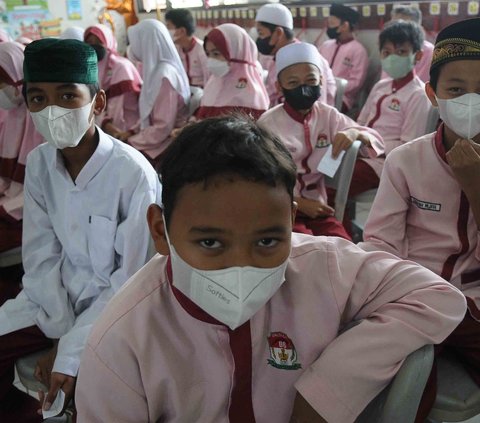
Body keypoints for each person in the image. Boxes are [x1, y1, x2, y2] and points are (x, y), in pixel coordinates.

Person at [75, 114, 466, 423]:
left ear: (290, 221)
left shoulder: (322, 267)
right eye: (210, 243)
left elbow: (438, 296)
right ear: (161, 231)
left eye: (267, 241)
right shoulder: (124, 339)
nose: (241, 267)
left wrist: (329, 388)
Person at [0, 38, 160, 422]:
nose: (51, 110)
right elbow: (40, 256)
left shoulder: (133, 174)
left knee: (80, 396)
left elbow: (130, 283)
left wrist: (71, 349)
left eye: (68, 96)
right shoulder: (40, 164)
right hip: (49, 303)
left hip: (115, 316)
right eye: (38, 98)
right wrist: (58, 332)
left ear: (97, 103)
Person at [358, 18, 480, 421]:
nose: (470, 102)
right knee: (394, 380)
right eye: (457, 90)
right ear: (433, 94)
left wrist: (473, 183)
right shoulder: (406, 161)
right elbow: (379, 243)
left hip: (475, 303)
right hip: (415, 295)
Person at [258, 42, 383, 239]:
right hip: (281, 209)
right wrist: (299, 203)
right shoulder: (268, 124)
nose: (303, 89)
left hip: (319, 208)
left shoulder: (328, 115)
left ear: (321, 81)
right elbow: (260, 182)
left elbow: (374, 138)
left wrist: (353, 133)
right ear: (279, 87)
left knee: (341, 245)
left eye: (310, 80)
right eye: (293, 83)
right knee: (304, 251)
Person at [351, 20, 433, 197]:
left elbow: (408, 146)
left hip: (384, 164)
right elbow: (361, 121)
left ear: (417, 56)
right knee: (318, 172)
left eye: (401, 52)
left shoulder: (417, 95)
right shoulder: (381, 86)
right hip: (359, 153)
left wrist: (368, 145)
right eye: (386, 53)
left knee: (336, 183)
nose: (392, 58)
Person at [0, 42, 43, 302]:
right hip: (14, 202)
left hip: (28, 211)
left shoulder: (39, 117)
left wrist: (6, 207)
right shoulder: (14, 114)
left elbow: (39, 189)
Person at [124, 19, 190, 168]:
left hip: (169, 141)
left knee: (122, 160)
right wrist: (131, 131)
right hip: (157, 137)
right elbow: (149, 112)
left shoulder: (165, 76)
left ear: (145, 43)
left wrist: (131, 142)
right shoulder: (155, 71)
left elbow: (163, 127)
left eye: (135, 42)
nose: (132, 47)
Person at [255, 3, 336, 107]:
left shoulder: (307, 61)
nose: (258, 39)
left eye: (261, 33)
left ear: (279, 33)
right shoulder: (277, 58)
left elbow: (314, 106)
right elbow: (271, 96)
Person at [195, 23, 269, 120]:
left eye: (216, 54)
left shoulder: (251, 94)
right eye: (208, 54)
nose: (210, 60)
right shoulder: (213, 83)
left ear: (236, 52)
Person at [84, 24, 142, 137]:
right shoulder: (91, 67)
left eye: (98, 41)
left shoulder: (121, 67)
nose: (93, 45)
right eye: (89, 42)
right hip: (104, 126)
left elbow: (117, 109)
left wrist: (110, 129)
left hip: (127, 128)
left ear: (108, 42)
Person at [318, 2, 369, 113]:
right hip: (320, 92)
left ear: (344, 26)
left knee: (322, 112)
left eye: (331, 23)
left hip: (343, 98)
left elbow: (356, 83)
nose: (328, 26)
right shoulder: (325, 45)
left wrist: (332, 87)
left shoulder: (358, 50)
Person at [382, 3, 434, 83]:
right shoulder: (389, 48)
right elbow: (384, 79)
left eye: (403, 26)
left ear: (417, 27)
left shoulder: (429, 51)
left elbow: (422, 82)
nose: (396, 30)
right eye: (394, 25)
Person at [165, 8, 209, 88]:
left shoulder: (202, 50)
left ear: (182, 31)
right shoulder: (175, 49)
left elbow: (209, 79)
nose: (165, 31)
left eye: (168, 27)